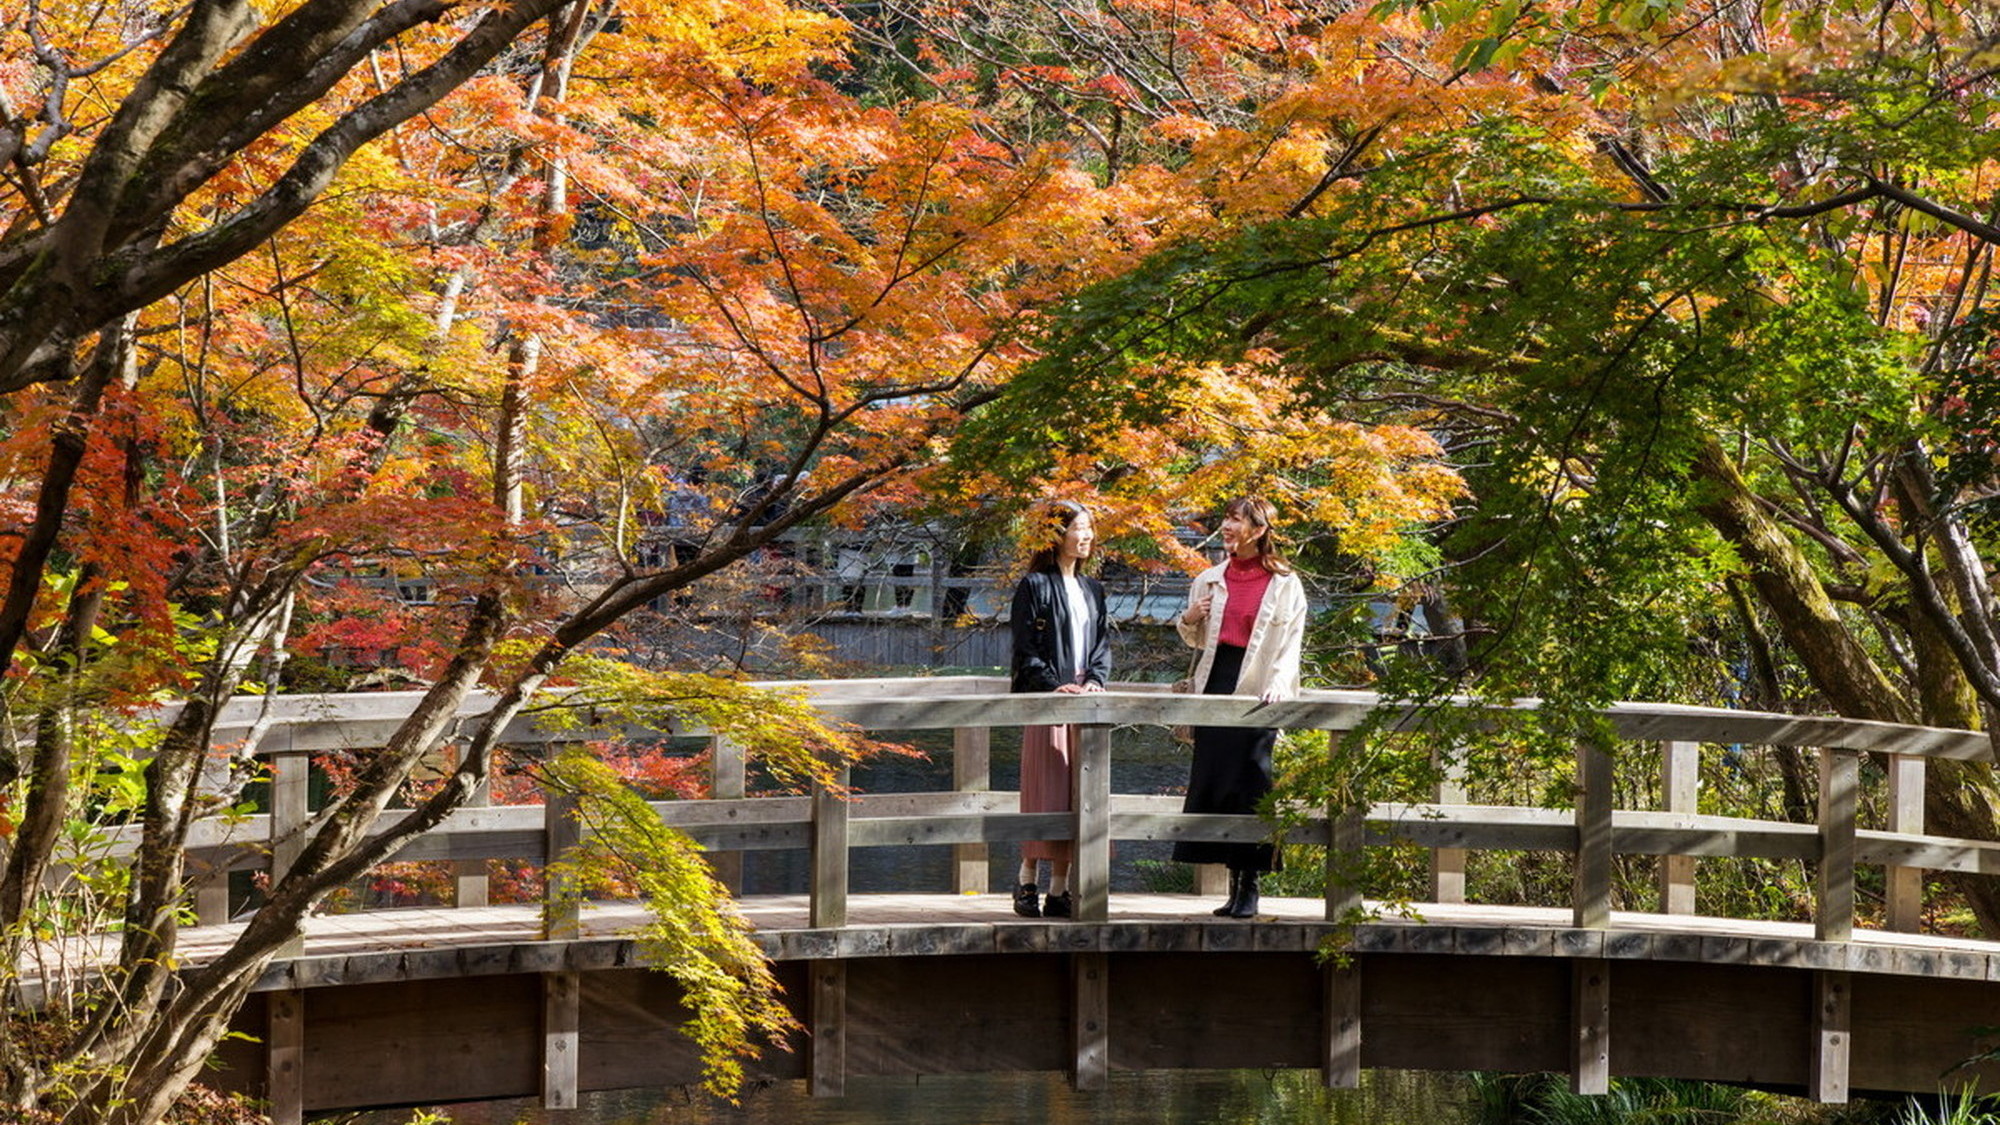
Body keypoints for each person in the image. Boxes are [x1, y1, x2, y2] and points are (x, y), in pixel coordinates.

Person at [1172, 496, 1308, 919]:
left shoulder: (1284, 582)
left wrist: (1279, 685)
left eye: (1235, 520)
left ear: (1259, 530)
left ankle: (1250, 886)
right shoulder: (1210, 578)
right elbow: (1196, 640)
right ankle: (1231, 888)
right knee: (1216, 784)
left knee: (1252, 783)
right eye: (1226, 519)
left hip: (1258, 687)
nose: (1227, 527)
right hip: (1216, 682)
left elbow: (1290, 644)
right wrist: (1189, 616)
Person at [1008, 500, 1110, 919]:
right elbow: (1024, 648)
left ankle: (1060, 890)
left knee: (1078, 794)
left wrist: (1094, 683)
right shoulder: (1034, 585)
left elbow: (1102, 646)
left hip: (1085, 703)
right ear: (1058, 533)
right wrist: (1054, 685)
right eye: (1078, 528)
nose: (1085, 536)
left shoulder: (1093, 590)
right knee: (1045, 792)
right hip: (1050, 700)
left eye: (1089, 529)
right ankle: (1026, 880)